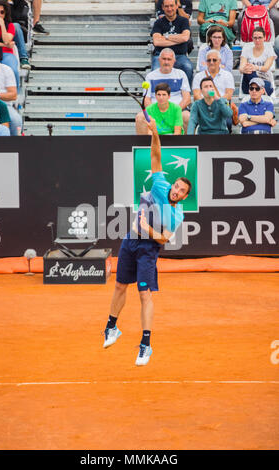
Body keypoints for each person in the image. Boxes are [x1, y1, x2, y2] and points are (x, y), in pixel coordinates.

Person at [103, 117, 191, 366]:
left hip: (148, 250)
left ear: (184, 196)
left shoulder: (177, 214)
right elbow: (156, 156)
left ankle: (145, 345)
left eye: (181, 190)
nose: (175, 190)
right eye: (176, 186)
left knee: (144, 294)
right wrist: (154, 133)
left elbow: (165, 238)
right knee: (120, 286)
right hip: (130, 241)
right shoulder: (160, 184)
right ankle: (112, 327)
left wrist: (147, 229)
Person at [135, 48, 191, 134]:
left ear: (174, 61)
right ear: (159, 60)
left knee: (187, 116)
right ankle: (144, 147)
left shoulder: (181, 74)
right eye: (164, 59)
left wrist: (173, 112)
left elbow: (187, 99)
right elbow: (146, 99)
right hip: (156, 111)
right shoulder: (150, 76)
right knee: (140, 117)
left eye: (169, 59)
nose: (166, 62)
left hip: (176, 111)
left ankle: (187, 146)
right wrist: (157, 112)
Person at [151, 0, 193, 87]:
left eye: (171, 6)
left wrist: (166, 37)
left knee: (188, 67)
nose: (169, 9)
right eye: (166, 6)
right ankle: (157, 96)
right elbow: (157, 42)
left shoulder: (183, 21)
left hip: (179, 55)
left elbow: (185, 38)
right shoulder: (158, 22)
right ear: (163, 7)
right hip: (161, 56)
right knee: (155, 70)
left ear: (177, 6)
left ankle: (186, 94)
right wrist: (178, 39)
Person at [0, 0, 31, 69]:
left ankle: (23, 57)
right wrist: (5, 45)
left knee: (16, 26)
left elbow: (18, 16)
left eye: (2, 12)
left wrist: (3, 23)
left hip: (11, 24)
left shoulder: (18, 2)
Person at [239, 26, 277, 96]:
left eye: (260, 37)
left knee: (252, 70)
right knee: (249, 71)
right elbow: (241, 68)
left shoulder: (269, 49)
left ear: (264, 38)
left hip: (264, 78)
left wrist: (255, 67)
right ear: (252, 38)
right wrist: (245, 69)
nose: (257, 40)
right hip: (249, 84)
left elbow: (266, 68)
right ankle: (261, 90)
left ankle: (260, 90)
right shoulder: (247, 49)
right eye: (255, 38)